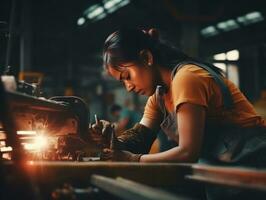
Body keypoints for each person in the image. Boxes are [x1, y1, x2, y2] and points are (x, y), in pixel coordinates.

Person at [92, 27, 266, 167]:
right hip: (225, 167)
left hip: (254, 163)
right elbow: (139, 139)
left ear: (146, 57)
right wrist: (110, 139)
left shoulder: (187, 78)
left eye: (127, 76)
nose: (128, 87)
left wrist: (132, 159)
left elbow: (187, 153)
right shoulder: (159, 96)